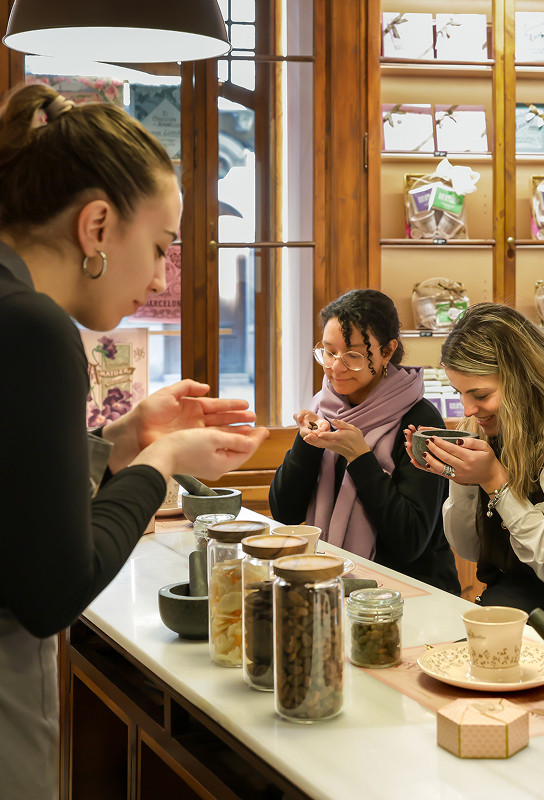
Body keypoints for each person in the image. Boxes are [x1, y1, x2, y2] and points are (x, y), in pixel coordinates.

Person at [0, 84, 268, 800]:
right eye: (158, 248)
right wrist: (162, 462)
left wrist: (122, 439)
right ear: (95, 226)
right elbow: (54, 587)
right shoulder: (33, 327)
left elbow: (15, 495)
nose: (156, 279)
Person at [405, 302, 544, 650]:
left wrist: (496, 482)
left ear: (523, 378)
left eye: (480, 394)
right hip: (503, 617)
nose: (467, 410)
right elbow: (469, 548)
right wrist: (462, 475)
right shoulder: (491, 428)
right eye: (459, 394)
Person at [269, 288, 460, 594]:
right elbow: (284, 512)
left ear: (387, 351)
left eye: (354, 355)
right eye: (329, 353)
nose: (336, 367)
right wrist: (306, 445)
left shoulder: (421, 422)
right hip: (332, 589)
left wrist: (361, 458)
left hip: (410, 596)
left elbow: (410, 540)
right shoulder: (324, 407)